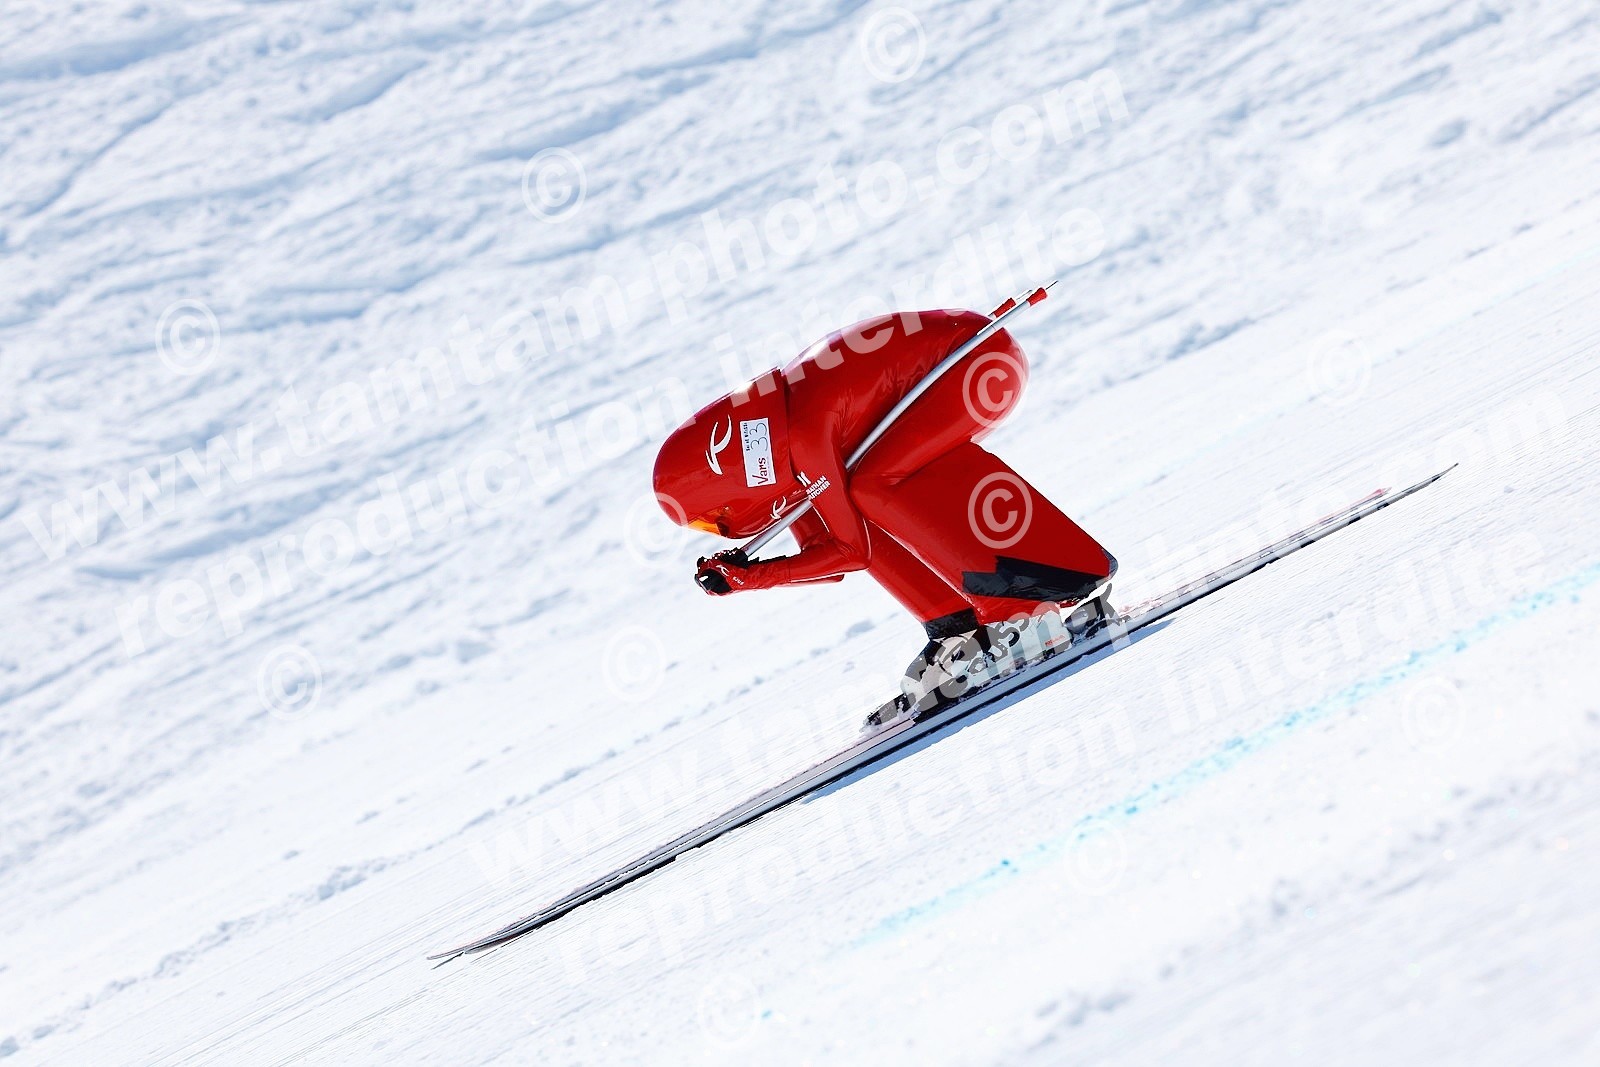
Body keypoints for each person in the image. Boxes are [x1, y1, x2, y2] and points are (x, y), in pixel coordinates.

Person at [653, 308, 1117, 712]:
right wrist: (753, 574)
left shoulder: (805, 434)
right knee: (857, 496)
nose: (722, 527)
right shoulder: (788, 450)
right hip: (970, 362)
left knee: (872, 485)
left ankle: (1022, 614)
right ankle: (958, 626)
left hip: (978, 361)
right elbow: (826, 553)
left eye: (710, 517)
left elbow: (851, 552)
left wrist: (754, 577)